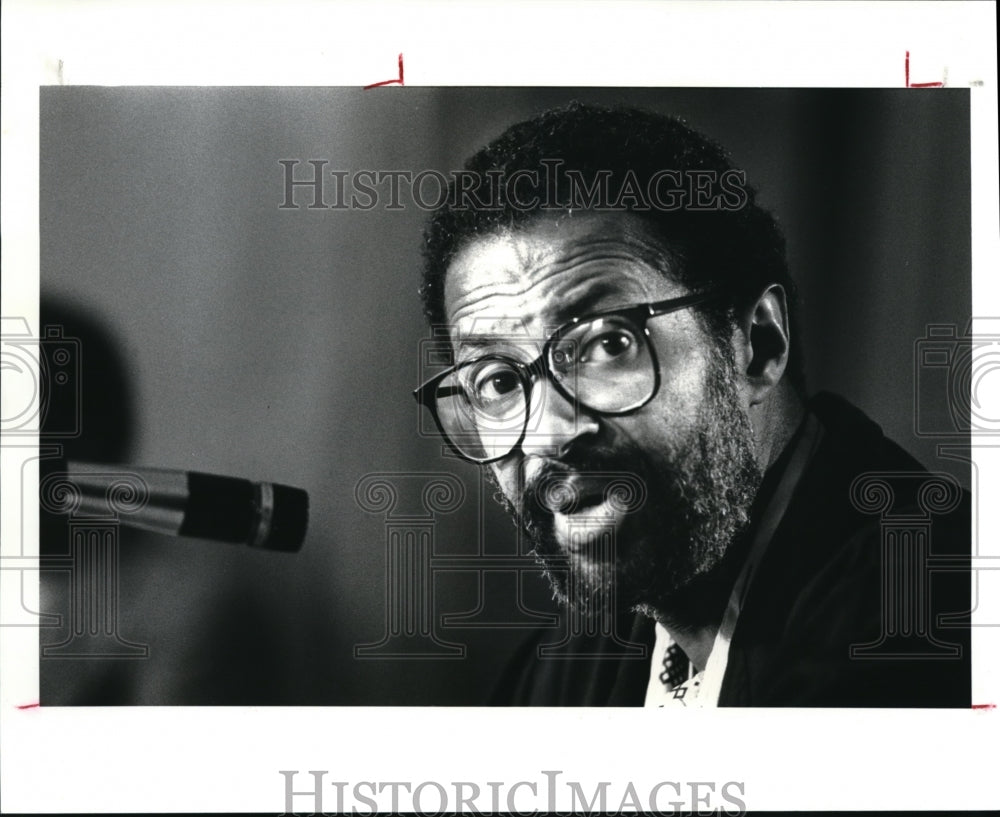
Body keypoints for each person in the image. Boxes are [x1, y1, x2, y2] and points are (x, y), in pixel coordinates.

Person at [413, 102, 971, 707]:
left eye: (607, 344)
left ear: (758, 345)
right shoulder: (559, 675)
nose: (548, 433)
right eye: (498, 382)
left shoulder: (938, 616)